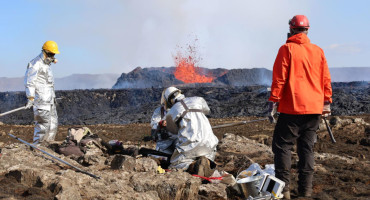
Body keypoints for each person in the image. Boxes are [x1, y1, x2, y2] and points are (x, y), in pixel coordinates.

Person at [268, 15, 332, 199]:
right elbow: (326, 79)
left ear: (291, 29)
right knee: (306, 149)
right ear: (307, 30)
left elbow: (279, 79)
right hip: (314, 110)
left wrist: (273, 102)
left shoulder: (286, 49)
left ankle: (284, 190)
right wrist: (326, 102)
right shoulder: (318, 51)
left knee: (282, 147)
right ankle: (306, 191)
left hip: (292, 109)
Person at [164, 86, 218, 175]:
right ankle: (207, 163)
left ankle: (193, 166)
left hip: (191, 145)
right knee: (206, 155)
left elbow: (173, 131)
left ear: (170, 100)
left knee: (175, 164)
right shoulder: (199, 99)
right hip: (210, 144)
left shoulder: (172, 111)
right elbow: (207, 111)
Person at [24, 41, 60, 145]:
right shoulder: (35, 64)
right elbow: (29, 82)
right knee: (42, 126)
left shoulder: (47, 64)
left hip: (50, 100)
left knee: (53, 124)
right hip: (41, 101)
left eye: (54, 54)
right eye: (51, 54)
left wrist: (53, 98)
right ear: (45, 52)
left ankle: (49, 145)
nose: (53, 56)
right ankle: (38, 148)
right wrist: (30, 98)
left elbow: (49, 84)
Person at [150, 90, 177, 155]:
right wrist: (161, 123)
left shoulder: (179, 110)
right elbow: (153, 124)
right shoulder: (159, 111)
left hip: (177, 142)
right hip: (164, 143)